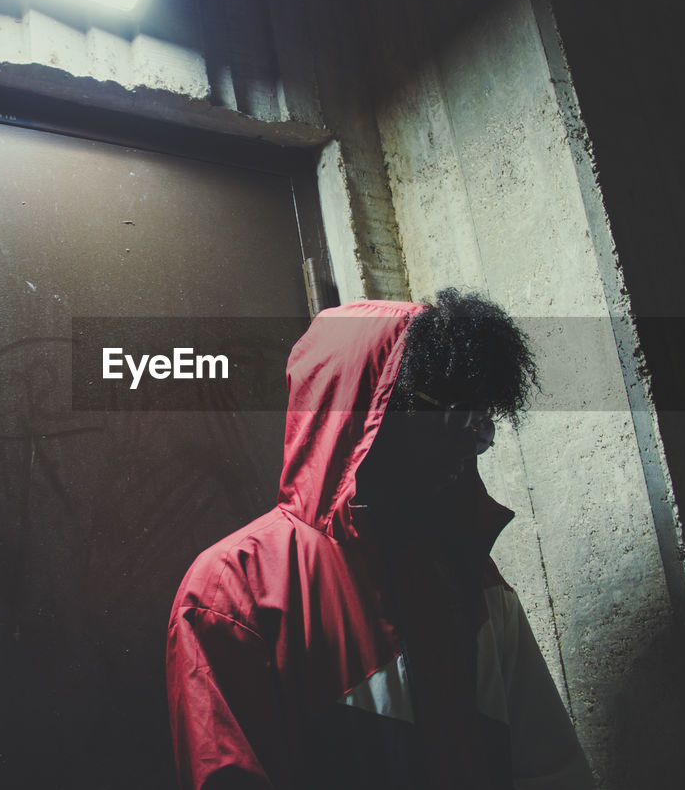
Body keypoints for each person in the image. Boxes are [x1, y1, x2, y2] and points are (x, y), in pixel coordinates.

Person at [165, 290, 595, 789]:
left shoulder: (473, 580)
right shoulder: (232, 589)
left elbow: (552, 770)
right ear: (365, 413)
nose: (466, 446)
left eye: (478, 425)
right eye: (452, 415)